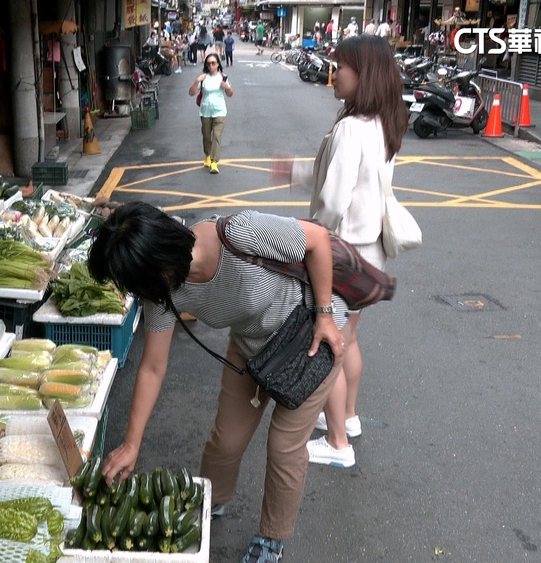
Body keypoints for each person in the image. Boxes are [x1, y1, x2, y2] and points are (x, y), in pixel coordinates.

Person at [86, 202, 348, 563]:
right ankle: (212, 498)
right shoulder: (162, 292)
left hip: (309, 337)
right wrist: (131, 444)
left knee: (285, 446)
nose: (137, 295)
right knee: (227, 438)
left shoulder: (241, 233)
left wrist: (325, 316)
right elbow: (152, 366)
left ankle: (271, 539)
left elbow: (318, 240)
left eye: (136, 284)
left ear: (159, 262)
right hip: (252, 348)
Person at [275, 34, 407, 467]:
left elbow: (333, 200)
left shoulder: (351, 128)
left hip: (340, 254)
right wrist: (294, 171)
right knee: (347, 339)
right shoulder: (383, 123)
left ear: (363, 73)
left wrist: (312, 241)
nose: (334, 73)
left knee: (327, 342)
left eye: (342, 66)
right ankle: (348, 418)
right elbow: (344, 178)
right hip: (369, 254)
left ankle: (336, 444)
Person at [188, 54, 233, 175]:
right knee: (207, 137)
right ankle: (207, 155)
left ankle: (214, 162)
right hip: (205, 112)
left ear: (218, 64)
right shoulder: (204, 78)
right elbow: (191, 93)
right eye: (208, 63)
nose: (211, 65)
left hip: (220, 111)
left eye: (213, 63)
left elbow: (230, 94)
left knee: (217, 136)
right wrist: (197, 80)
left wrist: (227, 87)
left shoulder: (223, 77)